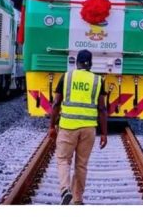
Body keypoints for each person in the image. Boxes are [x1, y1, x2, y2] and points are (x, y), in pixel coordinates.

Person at [48, 49, 108, 205]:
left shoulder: (67, 77)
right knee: (81, 165)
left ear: (76, 63)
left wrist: (52, 126)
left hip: (68, 126)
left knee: (63, 160)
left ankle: (65, 189)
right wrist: (104, 133)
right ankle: (78, 199)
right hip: (88, 129)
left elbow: (56, 104)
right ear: (91, 64)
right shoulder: (98, 80)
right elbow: (102, 109)